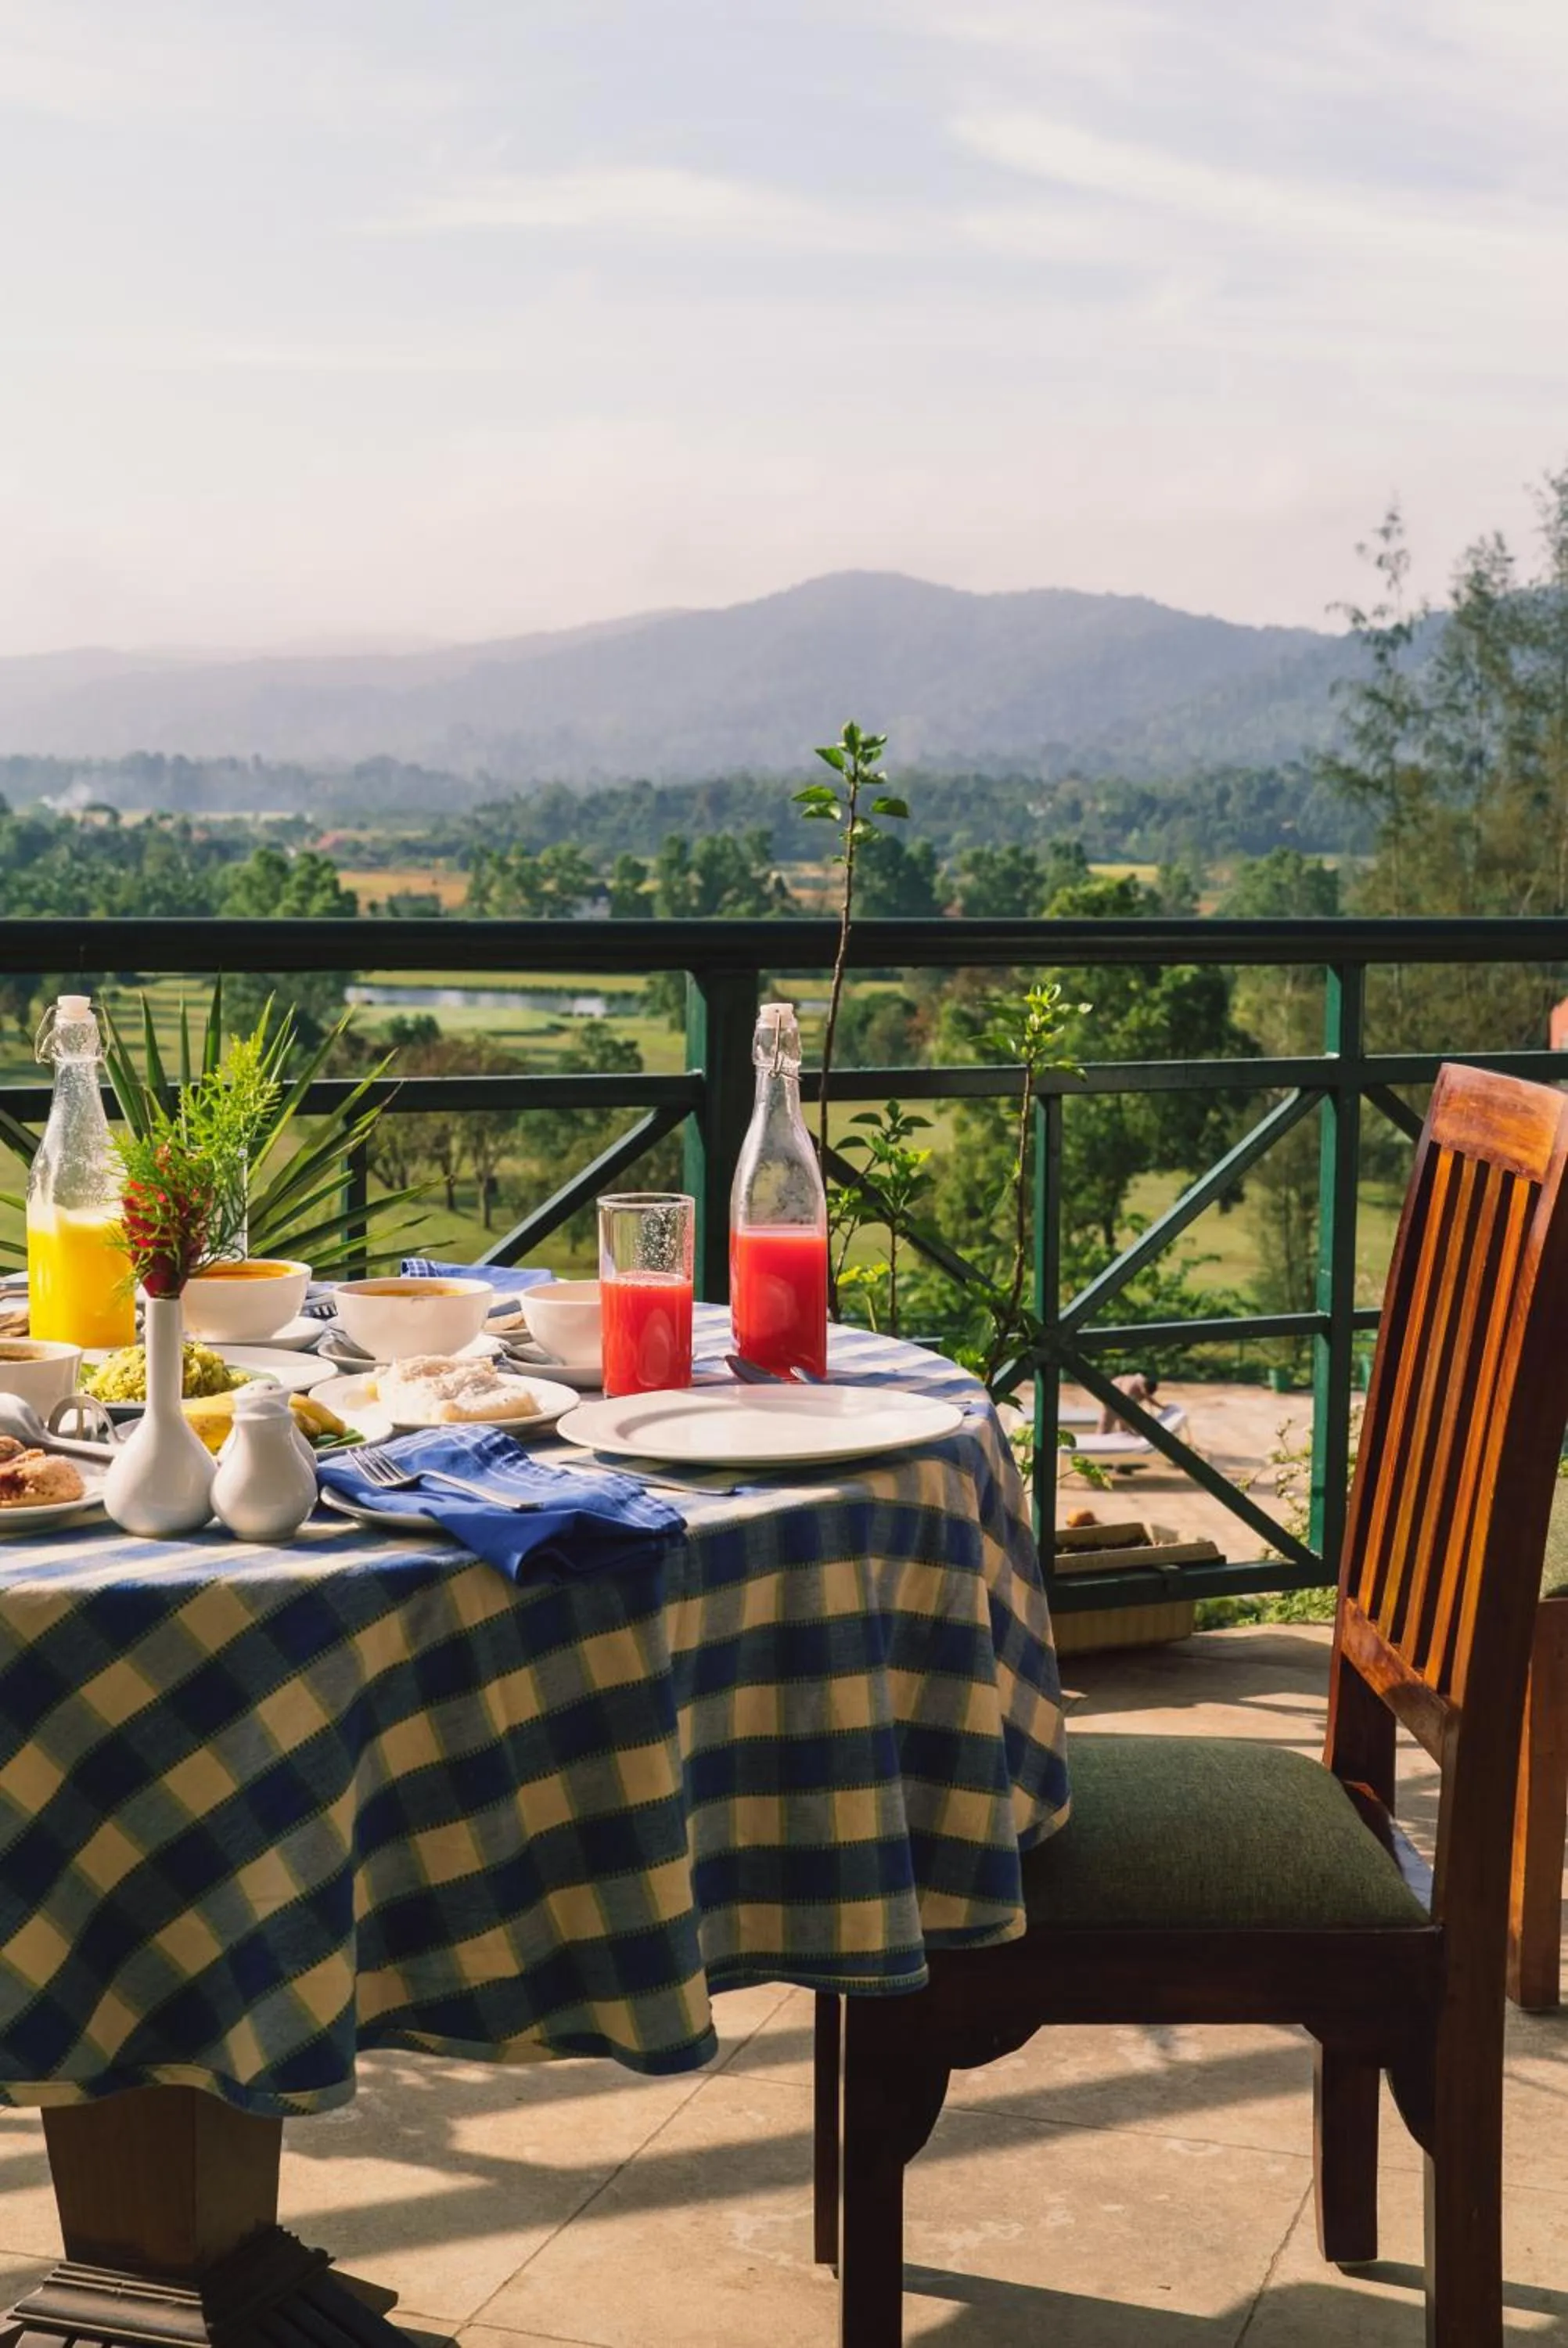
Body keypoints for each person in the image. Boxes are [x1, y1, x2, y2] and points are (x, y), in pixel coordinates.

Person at [1097, 1370, 1159, 1435]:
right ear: (1143, 1390)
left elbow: (1148, 1398)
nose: (1142, 1399)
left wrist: (1162, 1407)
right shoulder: (1132, 1386)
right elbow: (1124, 1407)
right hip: (1112, 1392)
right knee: (1106, 1425)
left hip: (1120, 1395)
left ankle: (1123, 1434)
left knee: (1123, 1426)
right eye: (1143, 1396)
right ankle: (1099, 1439)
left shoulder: (1141, 1385)